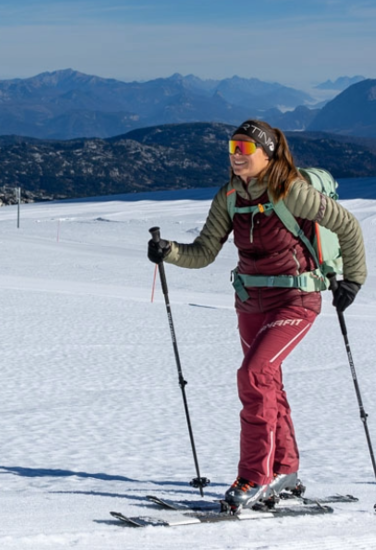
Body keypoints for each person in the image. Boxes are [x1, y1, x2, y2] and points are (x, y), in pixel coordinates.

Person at [147, 119, 367, 511]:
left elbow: (348, 225)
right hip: (249, 301)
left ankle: (255, 476)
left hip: (296, 299)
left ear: (267, 154)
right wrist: (170, 251)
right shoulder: (229, 196)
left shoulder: (293, 192)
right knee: (267, 382)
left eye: (245, 149)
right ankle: (285, 469)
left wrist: (353, 279)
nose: (236, 155)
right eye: (232, 147)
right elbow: (204, 252)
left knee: (253, 374)